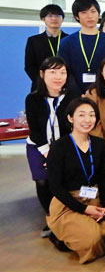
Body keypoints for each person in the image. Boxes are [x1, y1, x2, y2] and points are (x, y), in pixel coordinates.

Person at [46, 97, 105, 263]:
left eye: (91, 115)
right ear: (70, 118)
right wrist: (84, 209)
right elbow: (55, 186)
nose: (87, 120)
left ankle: (74, 235)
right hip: (68, 202)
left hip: (95, 198)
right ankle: (60, 237)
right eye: (81, 115)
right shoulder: (58, 147)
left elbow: (104, 178)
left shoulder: (100, 144)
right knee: (93, 238)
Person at [25, 57, 80, 237]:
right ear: (42, 74)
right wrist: (48, 153)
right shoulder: (33, 99)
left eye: (62, 72)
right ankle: (51, 219)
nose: (58, 77)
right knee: (42, 180)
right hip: (38, 146)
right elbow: (35, 129)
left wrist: (59, 155)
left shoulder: (73, 97)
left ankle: (66, 215)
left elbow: (74, 127)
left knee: (63, 180)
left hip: (65, 148)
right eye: (52, 72)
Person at [58, 0, 105, 92]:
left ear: (98, 14)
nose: (89, 16)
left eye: (93, 11)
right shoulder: (67, 42)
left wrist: (101, 91)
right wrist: (77, 93)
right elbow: (64, 70)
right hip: (74, 95)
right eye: (84, 12)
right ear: (76, 16)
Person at [25, 4, 69, 91]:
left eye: (57, 15)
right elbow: (29, 66)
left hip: (65, 86)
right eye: (50, 16)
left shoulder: (70, 40)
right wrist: (42, 82)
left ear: (62, 19)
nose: (54, 18)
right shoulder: (33, 41)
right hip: (40, 87)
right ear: (43, 19)